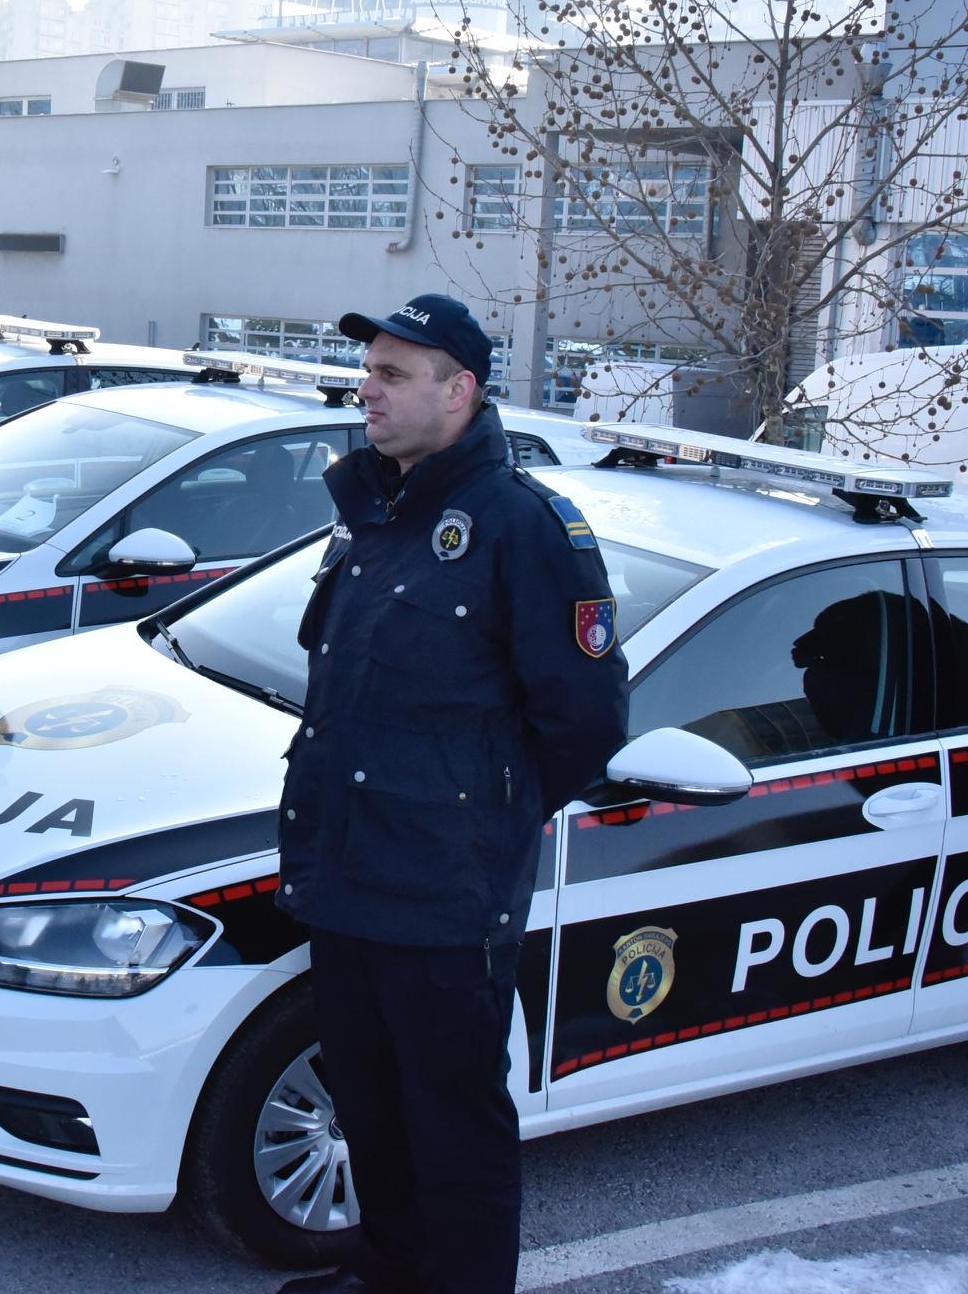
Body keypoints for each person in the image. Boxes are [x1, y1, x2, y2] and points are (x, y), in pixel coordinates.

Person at [274, 293, 630, 1294]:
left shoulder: (525, 526)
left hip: (442, 900)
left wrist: (479, 824)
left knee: (455, 1135)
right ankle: (386, 1270)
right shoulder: (381, 511)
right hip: (345, 875)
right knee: (370, 1106)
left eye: (393, 374)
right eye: (369, 370)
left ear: (459, 391)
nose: (368, 389)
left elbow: (586, 720)